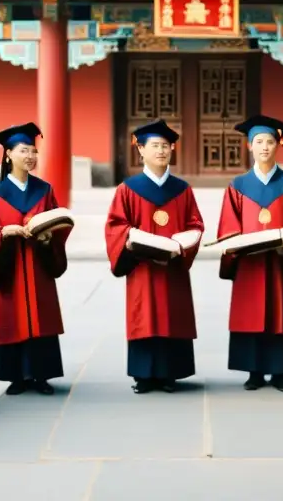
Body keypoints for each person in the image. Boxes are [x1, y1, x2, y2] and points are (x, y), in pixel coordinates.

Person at [104, 120, 203, 394]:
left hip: (172, 267)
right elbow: (116, 226)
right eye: (155, 146)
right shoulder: (128, 189)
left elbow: (195, 225)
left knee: (172, 314)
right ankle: (144, 375)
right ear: (141, 151)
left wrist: (183, 244)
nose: (161, 151)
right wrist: (134, 241)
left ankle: (170, 374)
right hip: (143, 267)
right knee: (144, 314)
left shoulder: (182, 189)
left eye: (165, 146)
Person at [217, 115, 283, 392]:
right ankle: (254, 371)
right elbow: (228, 224)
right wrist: (238, 243)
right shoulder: (238, 185)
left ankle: (280, 371)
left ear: (278, 145)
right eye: (258, 141)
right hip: (249, 263)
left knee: (278, 311)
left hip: (279, 260)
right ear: (249, 146)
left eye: (269, 141)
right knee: (250, 311)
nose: (264, 147)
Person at [0, 122, 70, 395]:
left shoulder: (45, 190)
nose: (30, 156)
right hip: (10, 266)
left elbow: (57, 222)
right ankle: (16, 375)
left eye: (33, 151)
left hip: (38, 264)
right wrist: (3, 232)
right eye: (23, 151)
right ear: (8, 155)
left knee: (41, 313)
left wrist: (48, 236)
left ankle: (41, 375)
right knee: (12, 316)